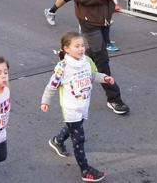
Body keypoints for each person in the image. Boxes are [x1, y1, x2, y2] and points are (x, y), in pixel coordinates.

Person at [68, 0, 129, 115]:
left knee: (93, 54)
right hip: (88, 19)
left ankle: (70, 64)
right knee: (102, 60)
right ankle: (114, 99)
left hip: (105, 17)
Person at [41, 32, 116, 182]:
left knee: (74, 127)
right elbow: (51, 86)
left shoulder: (86, 61)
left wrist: (105, 78)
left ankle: (57, 140)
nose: (81, 48)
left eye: (82, 45)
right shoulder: (63, 68)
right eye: (77, 46)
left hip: (83, 104)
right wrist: (45, 101)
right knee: (79, 139)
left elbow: (92, 76)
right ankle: (85, 170)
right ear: (66, 49)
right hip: (71, 108)